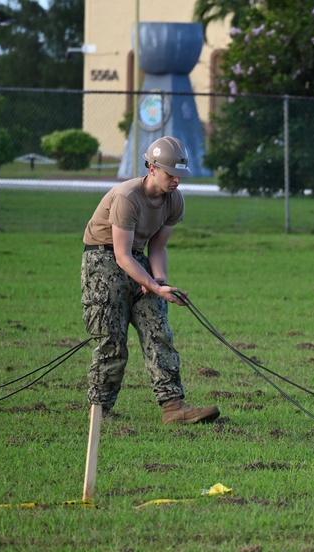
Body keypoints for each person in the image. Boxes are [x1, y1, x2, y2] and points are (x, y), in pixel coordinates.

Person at [81, 135, 220, 425]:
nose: (177, 181)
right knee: (112, 339)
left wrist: (158, 280)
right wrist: (153, 284)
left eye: (180, 175)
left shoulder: (174, 200)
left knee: (159, 330)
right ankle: (100, 411)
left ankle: (174, 407)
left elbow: (158, 247)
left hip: (138, 258)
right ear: (152, 168)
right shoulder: (127, 197)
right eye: (171, 174)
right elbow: (120, 254)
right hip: (103, 260)